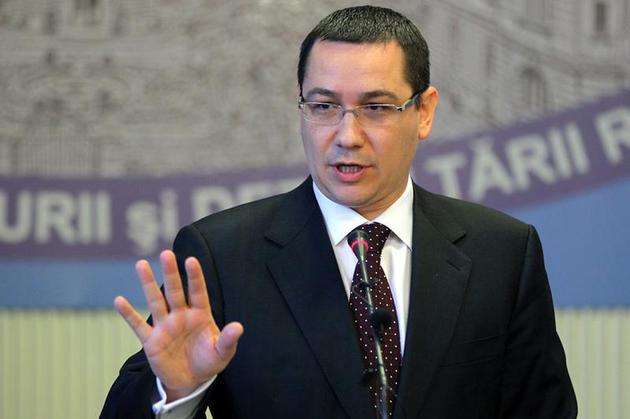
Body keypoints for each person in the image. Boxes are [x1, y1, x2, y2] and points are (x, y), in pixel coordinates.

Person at [101, 6, 577, 419]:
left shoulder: (502, 253)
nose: (347, 135)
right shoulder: (223, 256)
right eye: (325, 106)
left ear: (424, 112)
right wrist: (177, 393)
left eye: (376, 107)